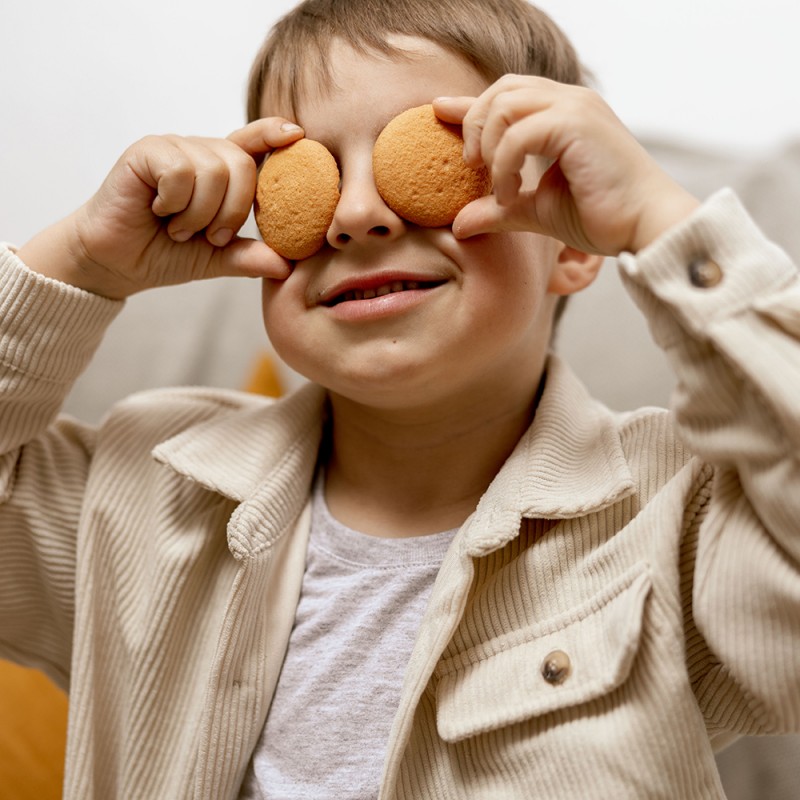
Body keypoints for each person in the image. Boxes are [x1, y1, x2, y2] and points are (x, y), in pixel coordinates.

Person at [1, 0, 798, 797]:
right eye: (301, 177)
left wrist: (661, 224)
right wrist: (82, 260)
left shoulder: (679, 515)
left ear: (575, 246)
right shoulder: (146, 493)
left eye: (433, 158)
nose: (352, 215)